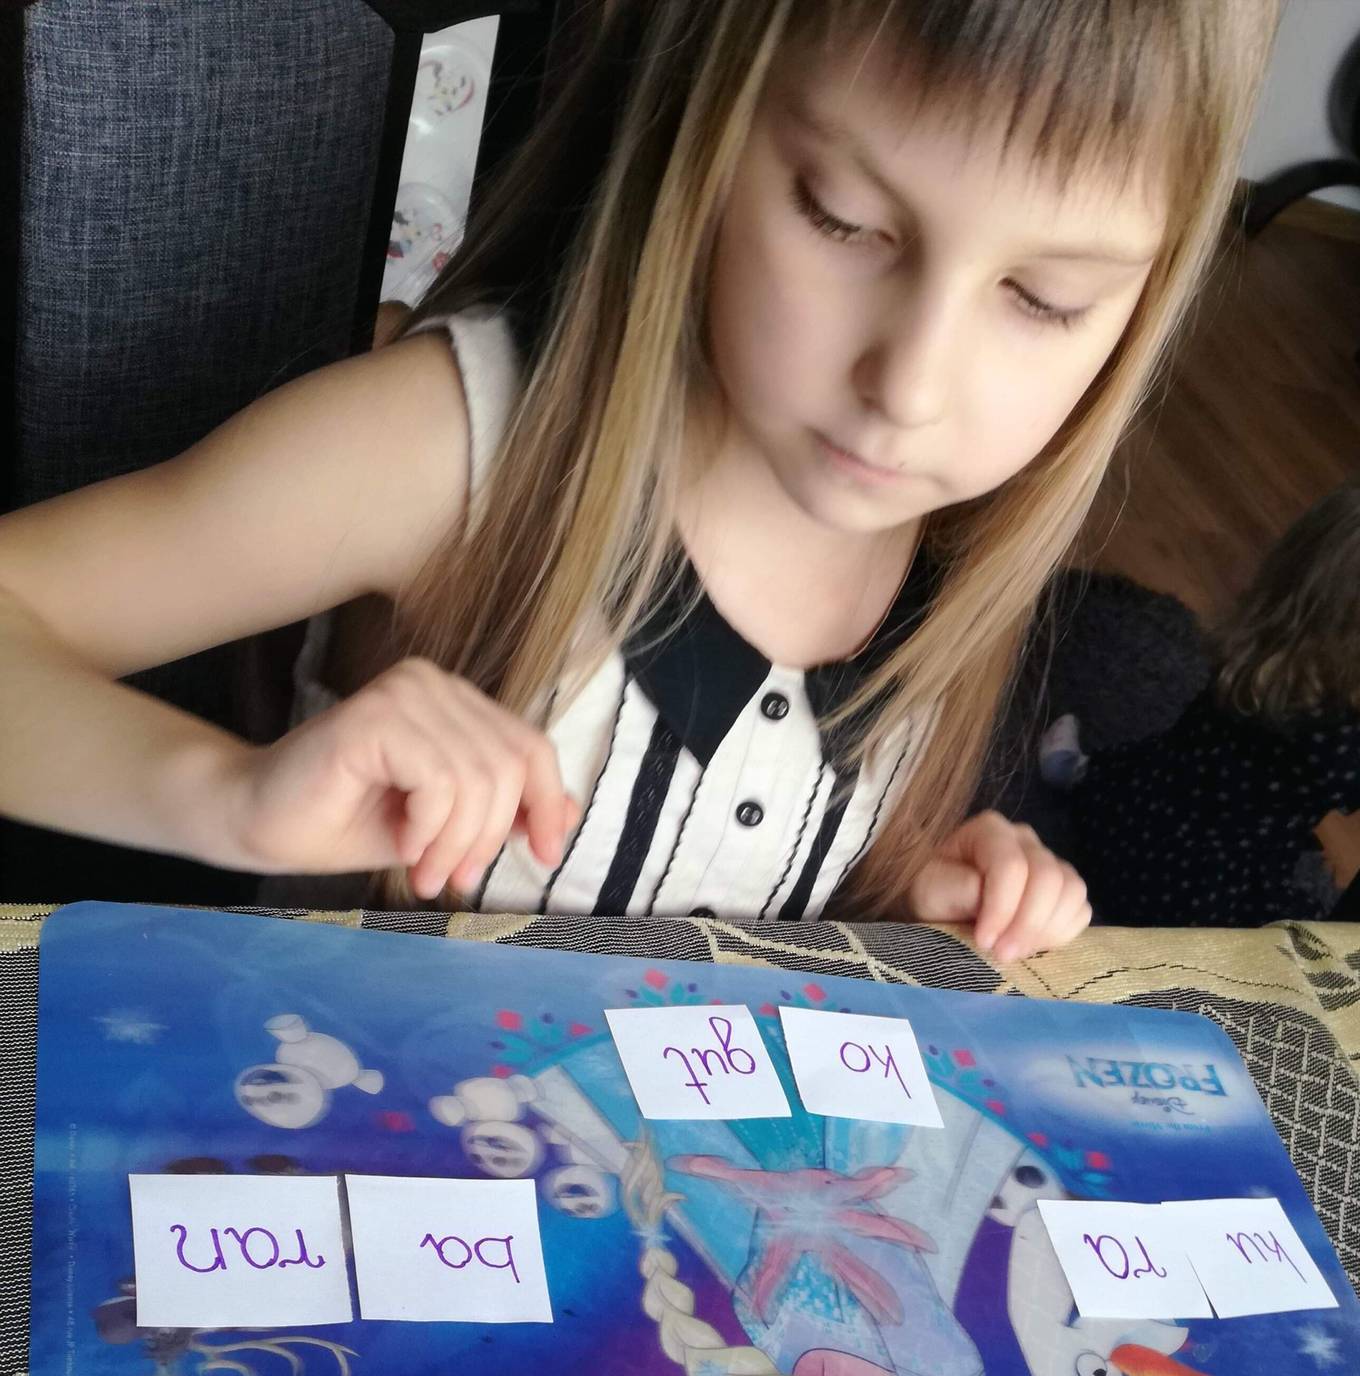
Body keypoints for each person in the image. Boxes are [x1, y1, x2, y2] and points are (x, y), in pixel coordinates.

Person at [0, 0, 1278, 959]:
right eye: (840, 217)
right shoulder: (454, 454)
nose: (910, 387)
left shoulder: (948, 547)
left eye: (1044, 299)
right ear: (702, 127)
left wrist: (903, 909)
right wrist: (229, 798)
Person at [1059, 482, 1360, 925]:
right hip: (1192, 892)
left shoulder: (1252, 645)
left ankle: (1074, 770)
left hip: (1126, 819)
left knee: (1159, 772)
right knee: (1288, 929)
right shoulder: (1342, 740)